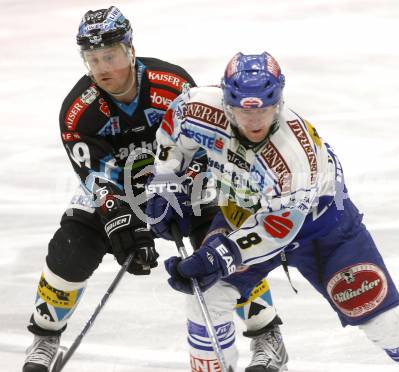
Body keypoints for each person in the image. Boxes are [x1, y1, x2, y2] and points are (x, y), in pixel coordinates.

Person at [22, 7, 285, 372]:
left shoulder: (172, 84)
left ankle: (266, 335)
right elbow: (97, 177)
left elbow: (208, 147)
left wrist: (182, 185)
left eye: (110, 56)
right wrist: (121, 220)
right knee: (71, 246)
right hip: (120, 189)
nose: (102, 68)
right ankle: (45, 338)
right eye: (92, 59)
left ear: (130, 49)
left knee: (223, 241)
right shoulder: (78, 111)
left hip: (185, 185)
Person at [146, 51, 399, 371]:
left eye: (265, 109)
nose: (255, 121)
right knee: (206, 298)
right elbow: (173, 131)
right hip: (243, 214)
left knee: (385, 322)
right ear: (227, 102)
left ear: (279, 101)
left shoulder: (292, 155)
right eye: (244, 111)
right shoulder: (198, 107)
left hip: (323, 227)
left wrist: (217, 256)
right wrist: (166, 180)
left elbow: (277, 229)